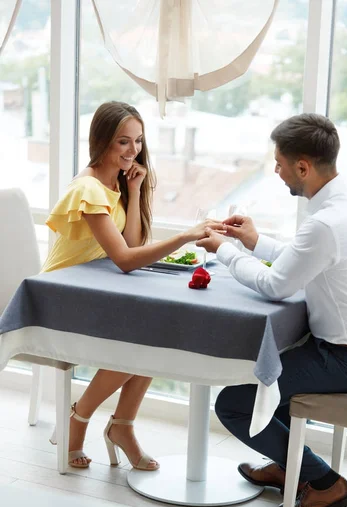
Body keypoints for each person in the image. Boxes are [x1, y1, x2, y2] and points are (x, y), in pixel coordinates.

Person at [196, 113, 347, 507]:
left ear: (302, 167)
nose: (275, 170)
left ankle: (325, 483)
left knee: (233, 404)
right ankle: (291, 467)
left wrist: (224, 250)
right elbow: (308, 260)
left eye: (279, 162)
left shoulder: (326, 222)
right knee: (270, 388)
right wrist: (254, 242)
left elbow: (275, 287)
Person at [42, 101, 224, 470]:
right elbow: (126, 259)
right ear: (102, 140)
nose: (133, 151)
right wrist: (185, 236)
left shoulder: (118, 182)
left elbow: (133, 245)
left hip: (94, 288)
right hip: (59, 296)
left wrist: (136, 191)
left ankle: (121, 426)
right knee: (143, 339)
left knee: (157, 332)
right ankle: (79, 418)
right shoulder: (89, 189)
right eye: (123, 142)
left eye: (138, 141)